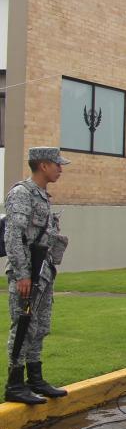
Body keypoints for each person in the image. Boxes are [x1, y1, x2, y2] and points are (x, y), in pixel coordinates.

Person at [4, 147, 71, 405]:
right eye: (57, 165)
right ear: (43, 165)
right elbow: (13, 236)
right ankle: (15, 383)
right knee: (22, 326)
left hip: (42, 272)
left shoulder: (42, 195)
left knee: (40, 326)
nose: (60, 170)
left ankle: (35, 378)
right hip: (27, 273)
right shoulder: (22, 194)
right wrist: (22, 274)